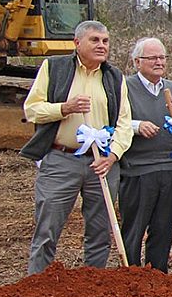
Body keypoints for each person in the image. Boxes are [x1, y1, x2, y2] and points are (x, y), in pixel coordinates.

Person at [20, 20, 133, 275]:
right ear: (77, 43)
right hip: (62, 160)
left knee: (100, 230)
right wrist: (64, 108)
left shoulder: (115, 77)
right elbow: (32, 109)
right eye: (94, 40)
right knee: (48, 227)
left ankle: (93, 285)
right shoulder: (54, 68)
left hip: (102, 163)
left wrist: (113, 156)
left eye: (105, 41)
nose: (101, 46)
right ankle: (36, 286)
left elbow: (124, 122)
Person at [118, 37, 172, 271]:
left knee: (163, 227)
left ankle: (158, 273)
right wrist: (137, 126)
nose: (158, 62)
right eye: (152, 58)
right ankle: (131, 272)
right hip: (138, 169)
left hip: (169, 167)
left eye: (162, 57)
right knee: (134, 226)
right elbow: (112, 121)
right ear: (137, 61)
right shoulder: (124, 87)